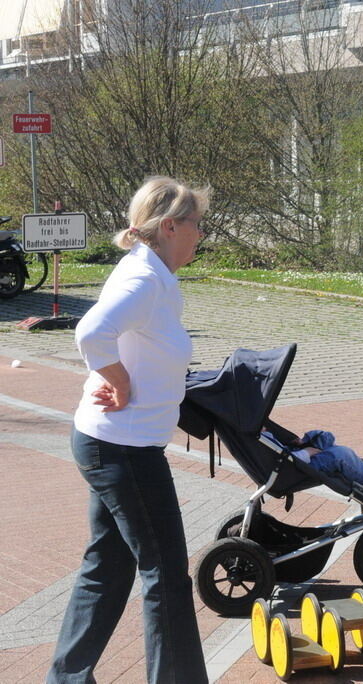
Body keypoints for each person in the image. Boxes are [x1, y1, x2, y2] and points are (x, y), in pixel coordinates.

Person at [48, 177, 210, 683]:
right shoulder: (144, 279)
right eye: (195, 225)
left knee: (108, 567)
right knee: (165, 574)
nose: (200, 235)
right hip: (123, 450)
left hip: (113, 444)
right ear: (168, 226)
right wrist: (115, 379)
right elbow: (92, 332)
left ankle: (66, 678)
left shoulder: (152, 273)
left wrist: (122, 376)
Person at [262, 429, 363, 492]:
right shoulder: (259, 440)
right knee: (339, 454)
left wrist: (301, 442)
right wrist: (306, 452)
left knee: (322, 437)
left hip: (293, 456)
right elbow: (280, 460)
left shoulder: (260, 434)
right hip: (294, 467)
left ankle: (360, 466)